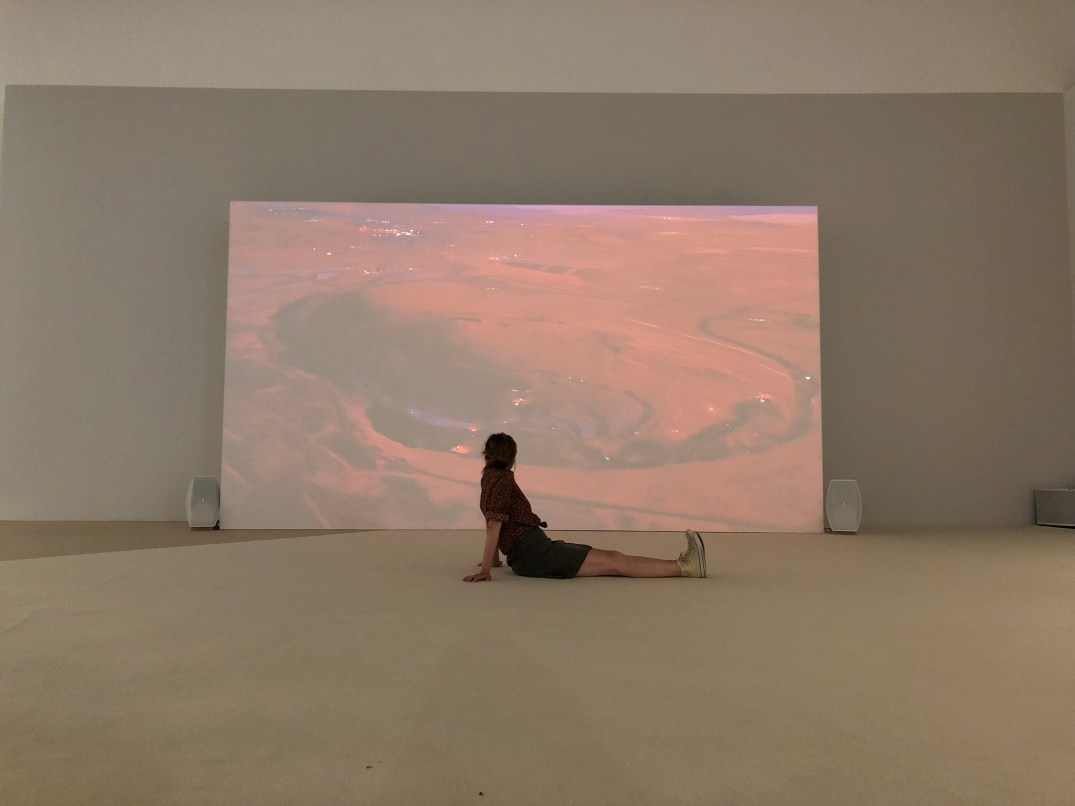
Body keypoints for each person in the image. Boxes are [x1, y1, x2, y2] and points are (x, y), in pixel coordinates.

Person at [464, 433, 707, 582]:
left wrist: (494, 562)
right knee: (614, 562)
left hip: (536, 550)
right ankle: (684, 567)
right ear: (512, 459)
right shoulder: (503, 480)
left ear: (487, 455)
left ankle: (682, 565)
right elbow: (494, 525)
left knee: (613, 558)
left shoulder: (489, 478)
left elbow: (493, 521)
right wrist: (486, 569)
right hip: (535, 555)